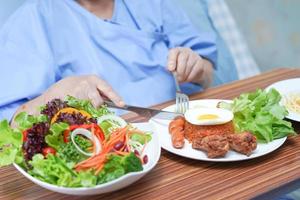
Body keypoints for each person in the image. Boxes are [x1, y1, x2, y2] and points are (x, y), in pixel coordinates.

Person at [0, 0, 217, 121]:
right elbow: (11, 124)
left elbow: (206, 74)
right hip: (108, 154)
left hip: (183, 125)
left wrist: (197, 69)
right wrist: (54, 96)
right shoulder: (34, 19)